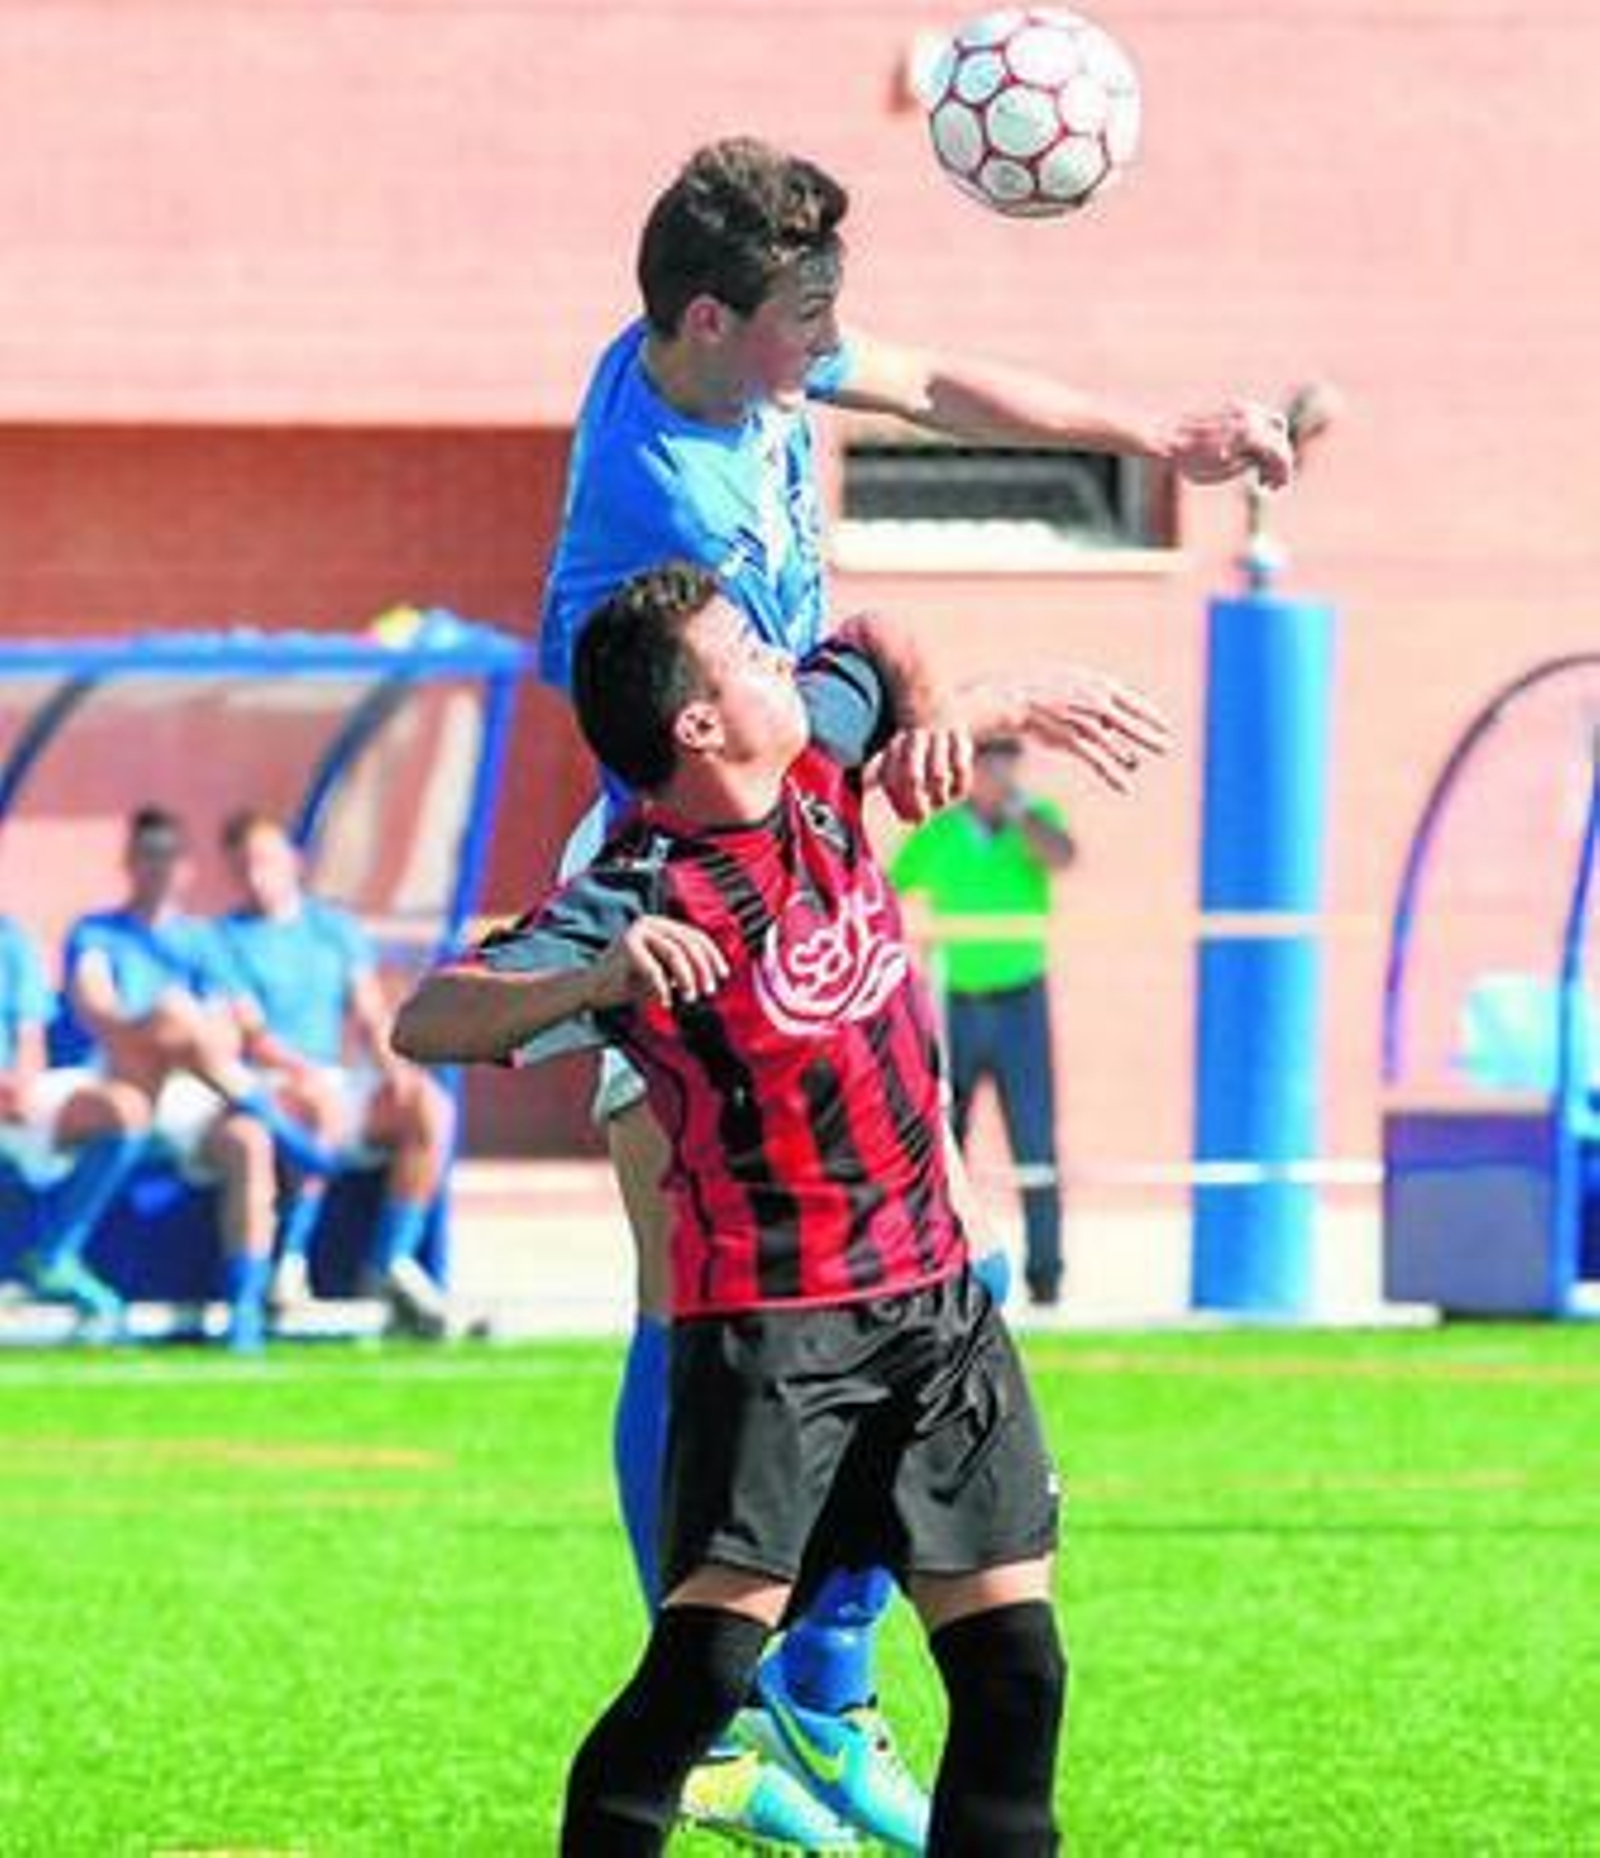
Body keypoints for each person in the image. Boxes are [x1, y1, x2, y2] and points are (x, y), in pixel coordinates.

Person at [535, 136, 1292, 1849]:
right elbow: (781, 710)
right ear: (720, 315)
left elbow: (936, 380)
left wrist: (1143, 435)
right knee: (707, 1288)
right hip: (689, 870)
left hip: (799, 836)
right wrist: (958, 696)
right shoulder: (680, 495)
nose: (838, 334)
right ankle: (743, 1701)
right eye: (811, 309)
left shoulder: (714, 358)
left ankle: (817, 1673)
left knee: (943, 1255)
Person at [395, 564, 1167, 1853]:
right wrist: (592, 977)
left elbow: (874, 635)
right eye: (748, 656)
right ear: (698, 725)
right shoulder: (640, 891)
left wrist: (927, 705)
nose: (777, 663)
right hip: (774, 1336)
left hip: (935, 1308)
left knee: (1016, 1671)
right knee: (697, 1682)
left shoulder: (820, 768)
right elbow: (426, 1020)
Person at [53, 807, 321, 1351]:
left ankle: (243, 1307)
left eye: (169, 855)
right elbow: (98, 1011)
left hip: (195, 1091)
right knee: (172, 1013)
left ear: (185, 868)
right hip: (123, 1083)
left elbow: (236, 1027)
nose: (158, 866)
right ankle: (266, 1111)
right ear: (129, 861)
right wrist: (160, 1030)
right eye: (148, 854)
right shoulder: (97, 932)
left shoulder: (202, 943)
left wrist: (193, 1036)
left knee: (248, 1142)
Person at [212, 809, 455, 1338]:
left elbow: (368, 1011)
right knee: (318, 1102)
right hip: (271, 1086)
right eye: (244, 866)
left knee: (428, 1105)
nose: (257, 876)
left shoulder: (333, 929)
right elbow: (252, 1036)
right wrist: (307, 1074)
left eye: (266, 861)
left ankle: (390, 1263)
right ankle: (289, 1267)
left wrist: (395, 1069)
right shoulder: (224, 939)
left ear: (294, 862)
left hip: (333, 1081)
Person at [892, 737, 1075, 1306]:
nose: (999, 773)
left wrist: (1019, 813)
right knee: (948, 1133)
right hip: (957, 1000)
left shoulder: (1037, 821)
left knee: (1035, 1136)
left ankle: (1046, 1275)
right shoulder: (941, 833)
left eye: (1007, 762)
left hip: (1022, 995)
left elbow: (1062, 858)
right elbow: (887, 887)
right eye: (988, 763)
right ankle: (946, 1268)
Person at [0, 913, 150, 1328]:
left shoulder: (10, 939)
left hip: (13, 1098)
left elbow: (30, 1037)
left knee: (124, 1109)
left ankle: (55, 1254)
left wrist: (21, 1084)